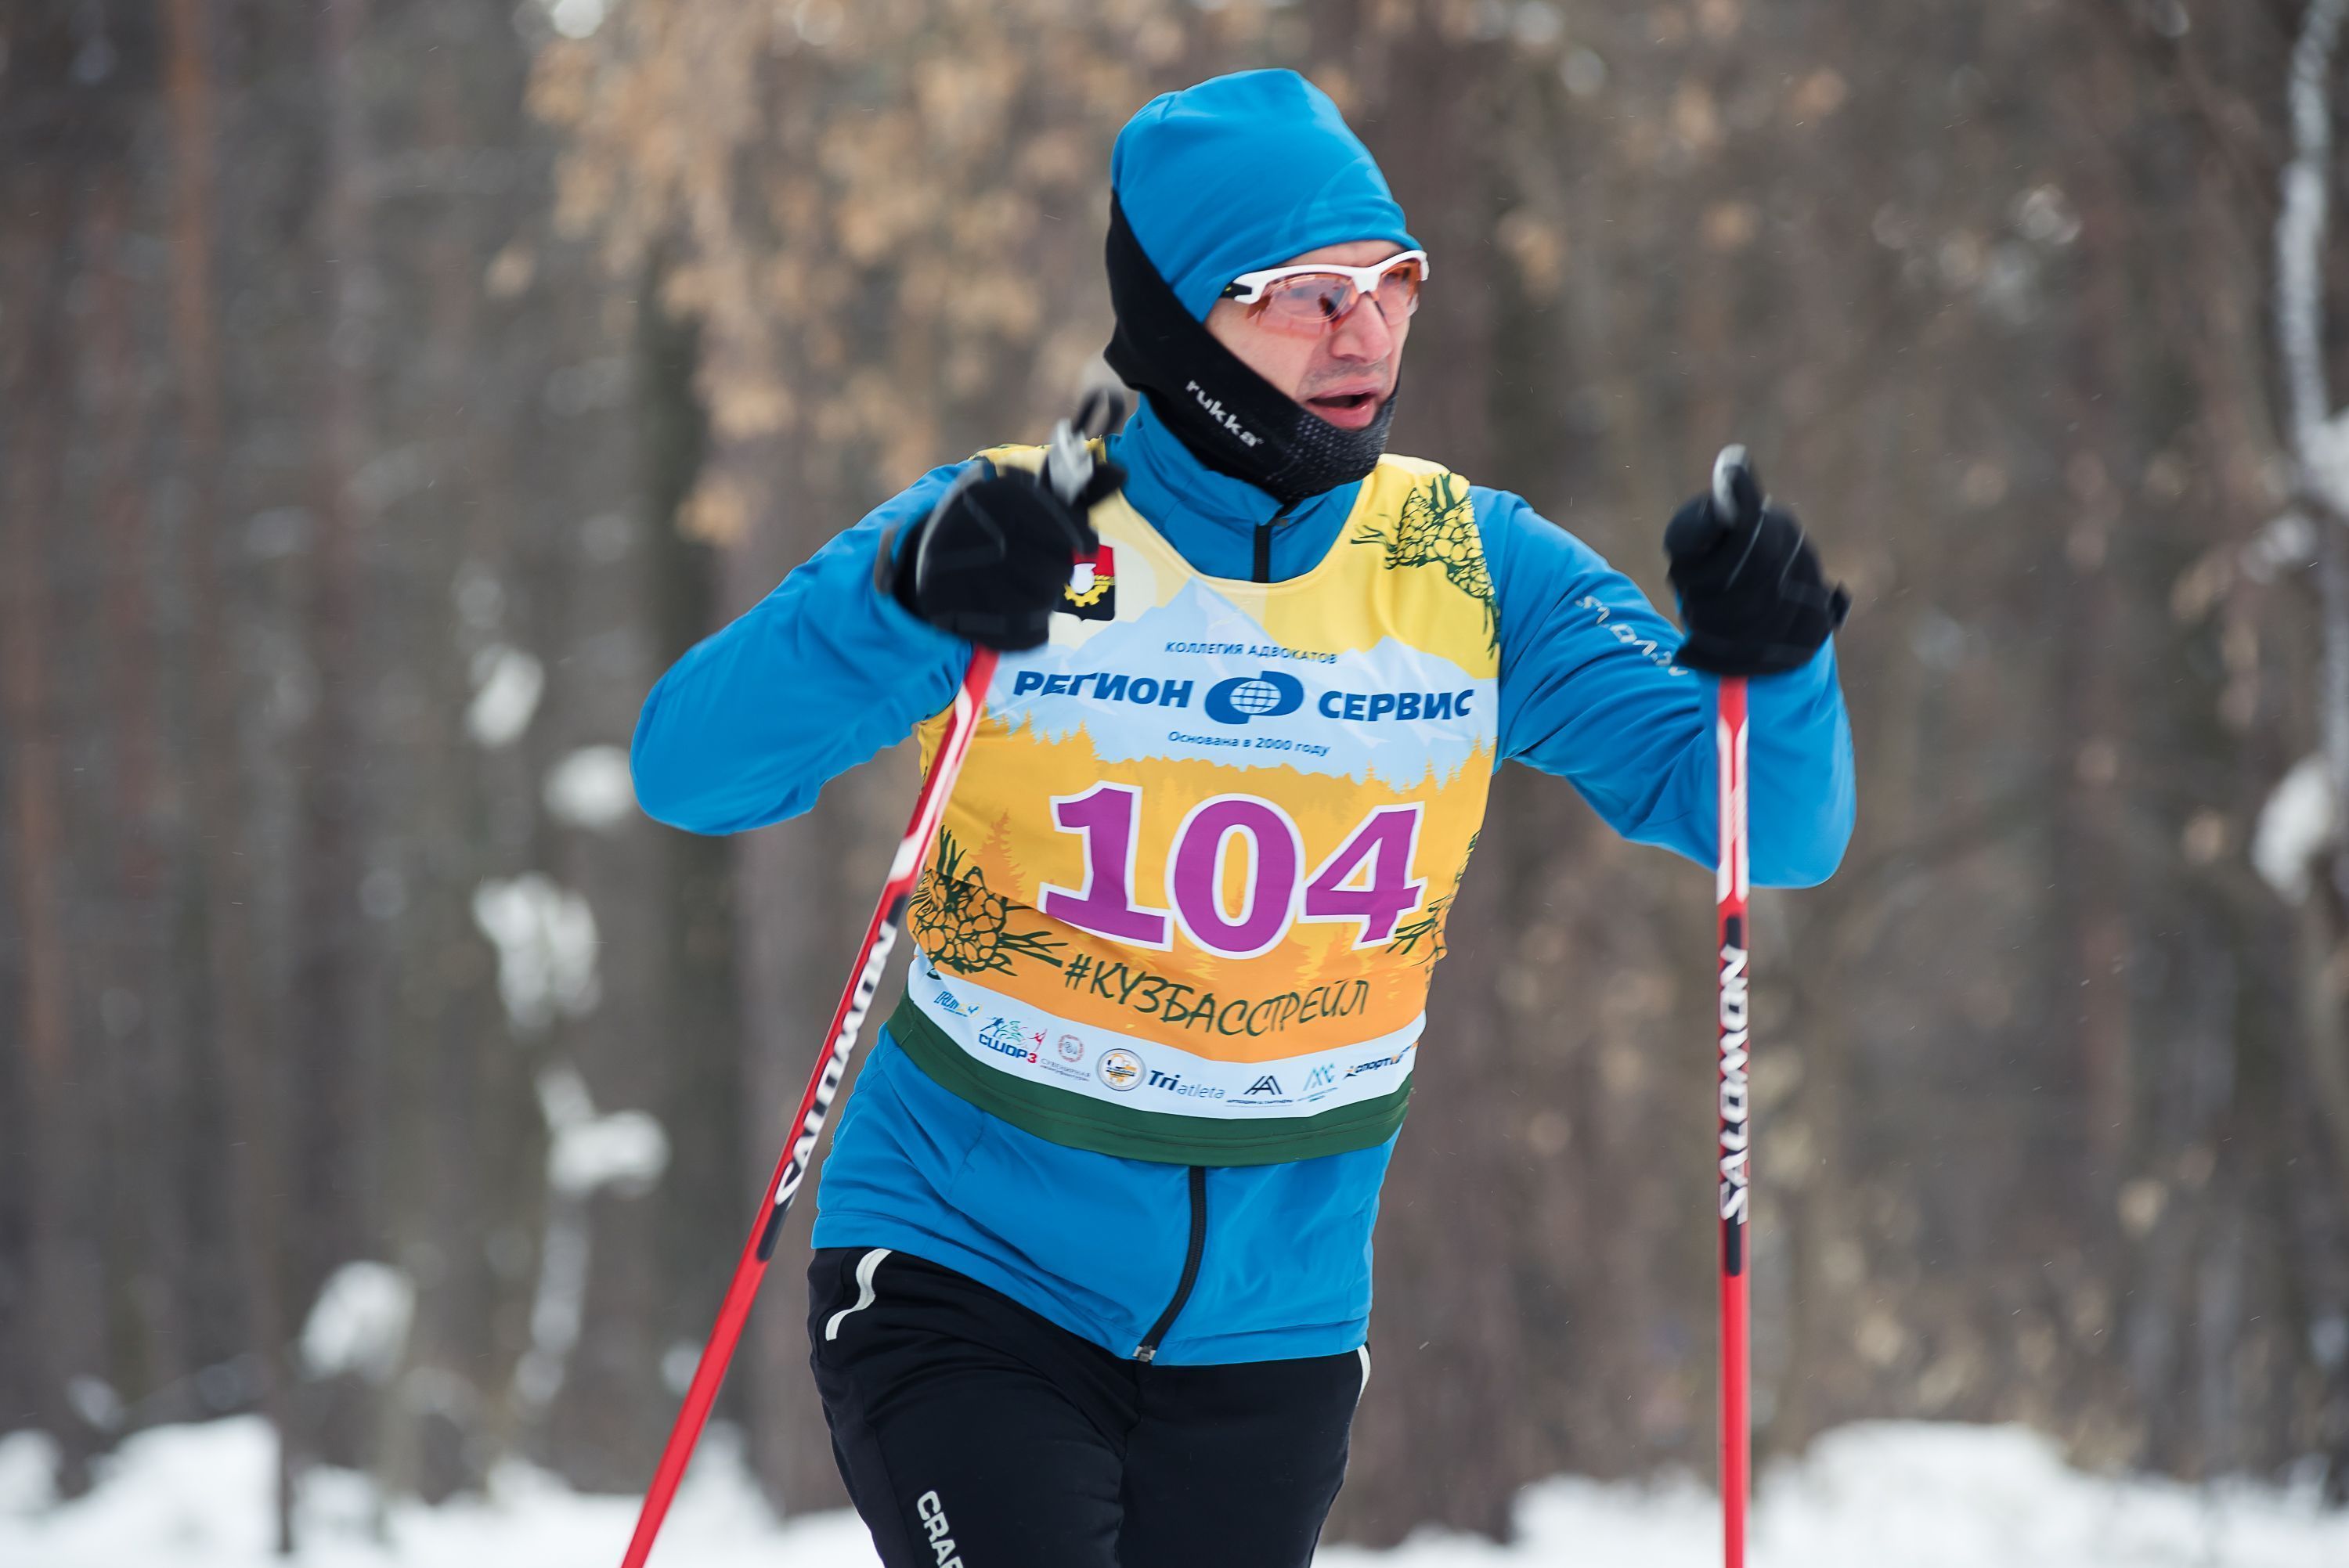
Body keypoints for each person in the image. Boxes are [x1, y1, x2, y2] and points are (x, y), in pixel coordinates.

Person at [630, 69, 1853, 1568]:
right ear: (1177, 322)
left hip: (1275, 1334)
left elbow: (1772, 827)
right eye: (1305, 294)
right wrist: (899, 605)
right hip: (966, 1270)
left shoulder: (1471, 570)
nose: (1366, 333)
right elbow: (691, 770)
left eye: (1392, 283)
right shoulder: (1024, 532)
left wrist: (1778, 662)